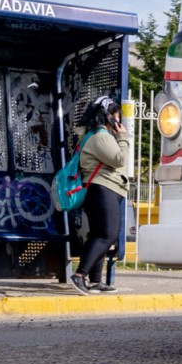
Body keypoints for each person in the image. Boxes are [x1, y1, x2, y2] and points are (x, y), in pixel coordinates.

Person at [70, 95, 131, 295]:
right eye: (116, 116)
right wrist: (123, 137)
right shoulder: (100, 136)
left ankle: (95, 280)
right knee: (107, 234)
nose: (118, 120)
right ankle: (80, 275)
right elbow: (119, 159)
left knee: (99, 235)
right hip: (103, 189)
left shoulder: (96, 135)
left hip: (101, 190)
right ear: (108, 116)